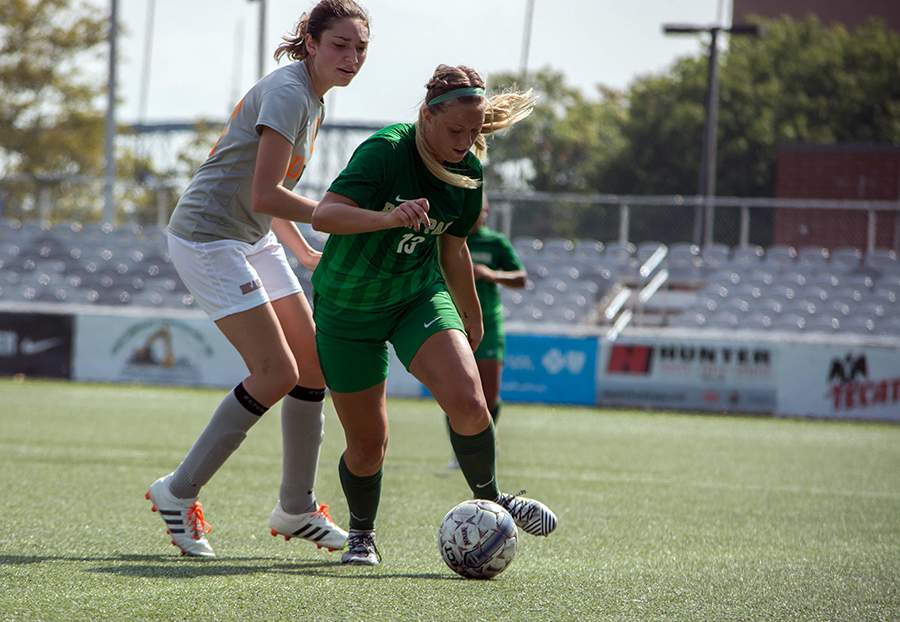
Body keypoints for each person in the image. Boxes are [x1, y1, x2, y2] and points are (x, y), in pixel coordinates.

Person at [145, 0, 370, 558]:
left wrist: (303, 250)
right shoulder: (293, 92)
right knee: (275, 373)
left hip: (250, 236)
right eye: (340, 44)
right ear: (311, 42)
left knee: (311, 367)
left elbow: (266, 201)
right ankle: (178, 491)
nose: (351, 56)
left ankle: (295, 508)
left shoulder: (312, 96)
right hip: (207, 237)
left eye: (361, 48)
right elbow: (265, 194)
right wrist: (330, 218)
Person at [310, 64, 558, 566]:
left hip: (415, 298)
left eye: (475, 130)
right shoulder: (387, 149)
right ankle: (361, 533)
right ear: (427, 116)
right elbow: (323, 215)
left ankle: (491, 498)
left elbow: (454, 248)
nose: (467, 142)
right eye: (456, 130)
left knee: (470, 402)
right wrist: (388, 216)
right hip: (346, 308)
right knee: (368, 445)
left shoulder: (470, 170)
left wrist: (471, 315)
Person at [447, 197, 527, 469]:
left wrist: (492, 274)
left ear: (486, 212)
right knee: (457, 393)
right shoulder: (448, 237)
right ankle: (460, 450)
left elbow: (521, 278)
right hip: (454, 321)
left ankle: (486, 440)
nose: (474, 215)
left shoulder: (496, 242)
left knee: (490, 396)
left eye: (479, 210)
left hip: (489, 324)